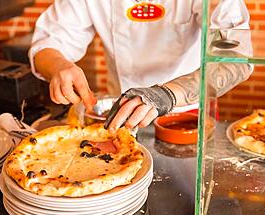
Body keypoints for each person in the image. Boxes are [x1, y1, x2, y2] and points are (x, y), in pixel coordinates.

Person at [29, 0, 252, 132]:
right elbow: (48, 42)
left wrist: (166, 95)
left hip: (186, 113)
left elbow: (236, 58)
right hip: (119, 114)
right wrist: (59, 65)